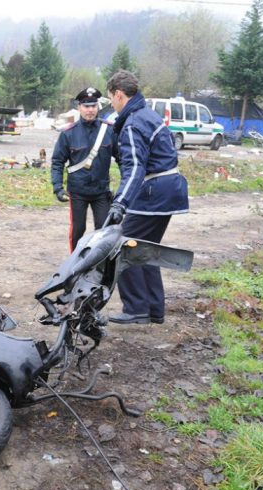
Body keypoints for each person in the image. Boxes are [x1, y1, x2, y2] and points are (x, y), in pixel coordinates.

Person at [104, 70, 189, 325]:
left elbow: (135, 168)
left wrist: (120, 202)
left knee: (122, 248)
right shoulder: (147, 114)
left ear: (119, 95)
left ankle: (136, 308)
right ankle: (154, 309)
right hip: (169, 189)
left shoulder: (132, 123)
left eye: (111, 98)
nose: (111, 103)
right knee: (146, 250)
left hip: (154, 192)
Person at [51, 87, 113, 252]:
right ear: (79, 107)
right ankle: (74, 265)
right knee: (78, 230)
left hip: (101, 191)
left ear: (98, 107)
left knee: (103, 231)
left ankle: (99, 265)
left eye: (93, 106)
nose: (90, 110)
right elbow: (57, 161)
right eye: (86, 106)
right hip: (78, 191)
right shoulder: (68, 134)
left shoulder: (109, 130)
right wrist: (57, 187)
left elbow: (123, 160)